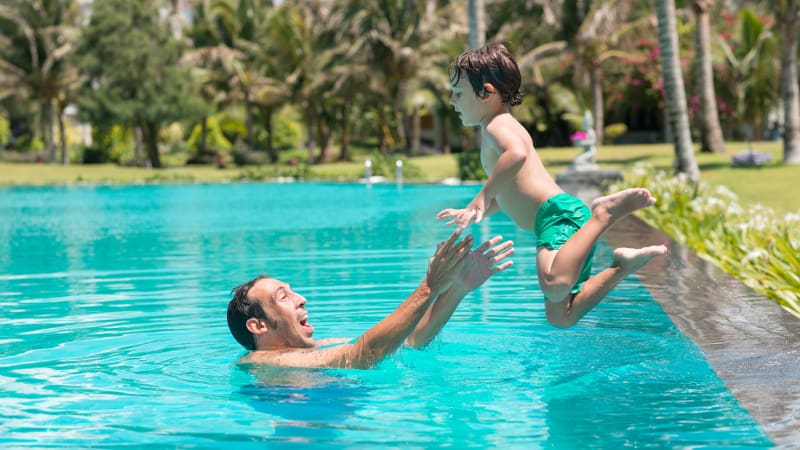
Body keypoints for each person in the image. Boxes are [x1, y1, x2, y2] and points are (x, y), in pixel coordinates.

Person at [437, 43, 667, 328]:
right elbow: (510, 189)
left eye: (458, 93)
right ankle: (622, 267)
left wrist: (480, 198)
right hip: (555, 219)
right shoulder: (495, 127)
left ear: (486, 92)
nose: (452, 100)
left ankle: (603, 214)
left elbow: (517, 156)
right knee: (561, 317)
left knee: (553, 283)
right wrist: (480, 210)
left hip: (557, 216)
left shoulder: (498, 126)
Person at [227, 231, 514, 369]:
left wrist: (456, 290)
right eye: (283, 297)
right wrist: (429, 287)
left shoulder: (320, 348)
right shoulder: (261, 363)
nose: (301, 299)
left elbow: (406, 341)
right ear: (258, 326)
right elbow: (365, 354)